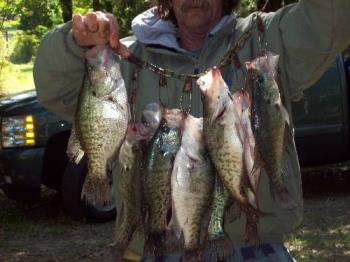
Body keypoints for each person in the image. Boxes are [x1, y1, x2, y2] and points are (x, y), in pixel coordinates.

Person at [33, 0, 350, 261]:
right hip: (158, 252)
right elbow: (54, 89)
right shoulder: (125, 59)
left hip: (255, 248)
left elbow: (333, 17)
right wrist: (76, 42)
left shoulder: (267, 36)